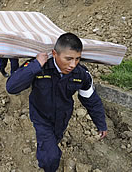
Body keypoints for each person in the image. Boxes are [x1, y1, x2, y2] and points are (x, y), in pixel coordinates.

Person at [6, 33, 107, 172]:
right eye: (68, 59)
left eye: (77, 59)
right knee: (50, 157)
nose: (73, 64)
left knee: (54, 143)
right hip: (41, 117)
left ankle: (48, 154)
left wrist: (100, 123)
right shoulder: (39, 67)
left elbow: (91, 99)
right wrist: (36, 65)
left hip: (62, 117)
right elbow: (11, 87)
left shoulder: (81, 74)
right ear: (54, 53)